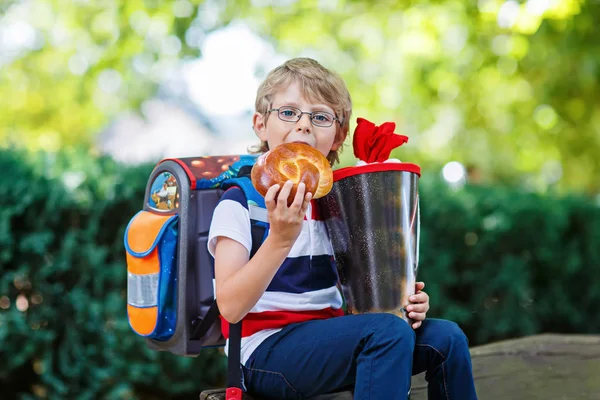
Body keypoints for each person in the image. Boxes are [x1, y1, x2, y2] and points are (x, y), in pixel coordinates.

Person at [208, 58, 477, 400]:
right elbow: (230, 308)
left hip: (332, 339)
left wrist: (405, 301)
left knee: (447, 339)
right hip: (264, 353)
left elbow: (362, 298)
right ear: (260, 124)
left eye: (320, 117)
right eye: (288, 112)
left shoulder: (340, 205)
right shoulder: (239, 204)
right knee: (386, 333)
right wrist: (279, 240)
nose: (304, 125)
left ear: (338, 136)